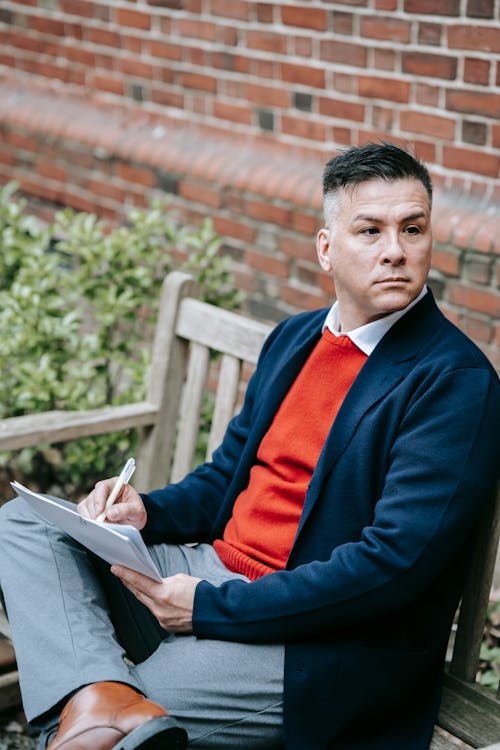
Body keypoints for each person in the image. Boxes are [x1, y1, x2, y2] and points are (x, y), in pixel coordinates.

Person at [0, 142, 498, 750]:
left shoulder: (454, 382)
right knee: (26, 524)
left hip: (317, 641)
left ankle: (93, 702)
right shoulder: (294, 340)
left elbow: (389, 569)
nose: (395, 249)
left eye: (412, 228)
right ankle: (95, 698)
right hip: (210, 575)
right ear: (326, 248)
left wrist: (209, 610)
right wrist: (146, 511)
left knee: (130, 715)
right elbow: (225, 477)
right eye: (369, 230)